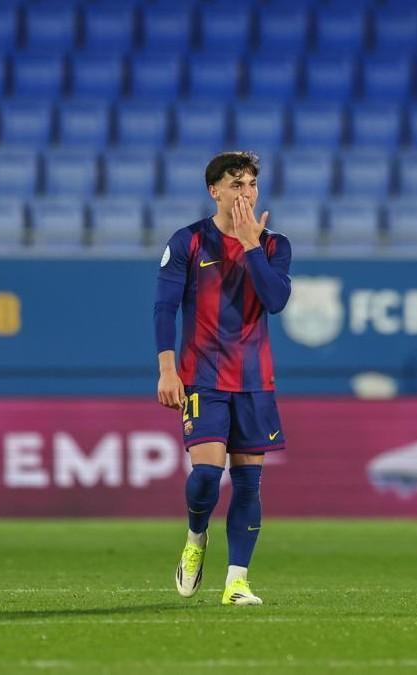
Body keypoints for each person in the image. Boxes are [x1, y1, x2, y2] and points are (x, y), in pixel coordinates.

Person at [155, 151, 292, 606]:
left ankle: (237, 581)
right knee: (207, 478)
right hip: (204, 378)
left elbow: (275, 301)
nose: (245, 193)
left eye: (251, 184)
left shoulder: (274, 245)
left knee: (249, 483)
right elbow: (165, 307)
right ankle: (196, 537)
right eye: (236, 184)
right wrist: (167, 369)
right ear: (214, 190)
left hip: (254, 381)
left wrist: (252, 246)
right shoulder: (188, 241)